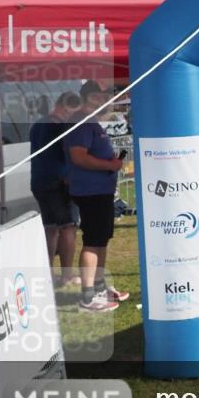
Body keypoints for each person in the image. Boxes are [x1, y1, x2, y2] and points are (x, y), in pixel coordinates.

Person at [63, 81, 129, 313]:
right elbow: (79, 157)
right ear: (85, 98)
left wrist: (111, 164)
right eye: (96, 97)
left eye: (103, 97)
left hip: (101, 191)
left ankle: (99, 287)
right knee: (93, 241)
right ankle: (88, 297)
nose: (102, 101)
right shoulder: (81, 123)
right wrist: (109, 164)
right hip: (89, 191)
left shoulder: (91, 122)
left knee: (101, 239)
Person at [30, 92, 82, 287]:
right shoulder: (60, 127)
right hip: (60, 183)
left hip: (39, 182)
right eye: (73, 112)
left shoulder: (37, 125)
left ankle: (48, 273)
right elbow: (69, 154)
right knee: (68, 227)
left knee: (50, 229)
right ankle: (67, 274)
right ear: (65, 107)